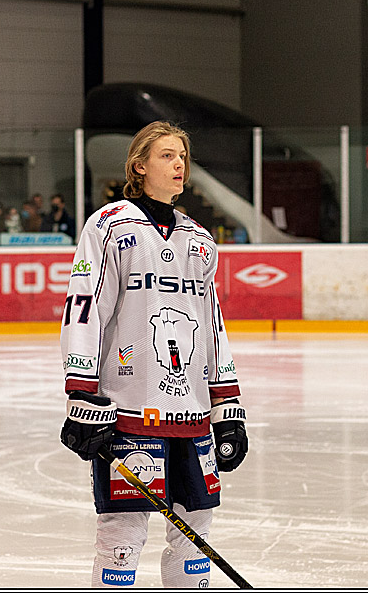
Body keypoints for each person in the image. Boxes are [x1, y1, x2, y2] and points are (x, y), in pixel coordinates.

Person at [59, 121, 247, 588]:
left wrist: (228, 407)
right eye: (167, 155)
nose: (179, 163)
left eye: (183, 155)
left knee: (196, 531)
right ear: (139, 166)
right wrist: (82, 395)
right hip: (126, 410)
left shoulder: (201, 241)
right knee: (123, 533)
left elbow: (212, 326)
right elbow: (84, 309)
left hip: (193, 411)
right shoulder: (107, 226)